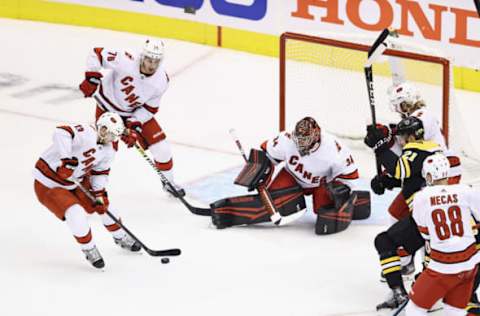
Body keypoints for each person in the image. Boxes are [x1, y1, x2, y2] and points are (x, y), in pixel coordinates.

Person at [211, 116, 371, 234]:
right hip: (292, 177)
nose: (299, 143)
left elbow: (349, 176)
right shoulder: (286, 139)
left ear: (315, 137)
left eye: (304, 140)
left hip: (320, 185)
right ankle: (229, 212)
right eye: (298, 139)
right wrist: (257, 170)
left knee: (325, 216)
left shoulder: (333, 149)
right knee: (272, 203)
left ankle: (352, 204)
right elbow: (267, 154)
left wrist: (341, 193)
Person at [373, 153, 480, 314]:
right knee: (455, 310)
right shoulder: (467, 192)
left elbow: (425, 233)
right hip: (470, 263)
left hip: (443, 266)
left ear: (428, 176)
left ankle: (403, 288)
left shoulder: (422, 197)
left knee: (414, 309)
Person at [78, 38, 184, 197]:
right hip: (106, 109)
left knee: (162, 149)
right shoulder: (126, 59)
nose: (151, 65)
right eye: (149, 59)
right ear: (142, 56)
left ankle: (169, 183)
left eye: (156, 61)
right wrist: (91, 77)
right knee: (105, 152)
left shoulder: (161, 80)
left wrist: (134, 124)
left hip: (130, 114)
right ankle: (89, 185)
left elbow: (149, 108)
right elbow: (97, 54)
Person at [33, 112, 140, 269]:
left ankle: (121, 236)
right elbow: (61, 132)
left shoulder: (108, 150)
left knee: (105, 206)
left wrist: (99, 194)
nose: (110, 138)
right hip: (48, 183)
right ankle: (89, 248)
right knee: (75, 212)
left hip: (75, 182)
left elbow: (100, 173)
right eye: (109, 133)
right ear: (101, 128)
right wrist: (66, 159)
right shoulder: (86, 132)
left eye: (114, 136)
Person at [365, 115, 443, 275]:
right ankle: (418, 266)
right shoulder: (426, 149)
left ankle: (425, 270)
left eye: (402, 137)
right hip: (428, 208)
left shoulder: (418, 149)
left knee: (418, 238)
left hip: (426, 211)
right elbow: (414, 178)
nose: (400, 142)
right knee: (399, 218)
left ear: (412, 136)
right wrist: (386, 182)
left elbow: (401, 169)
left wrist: (381, 148)